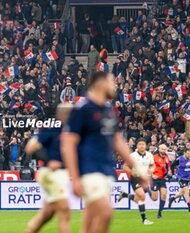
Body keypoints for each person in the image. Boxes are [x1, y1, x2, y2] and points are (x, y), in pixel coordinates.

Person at [61, 71, 149, 233]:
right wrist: (74, 177)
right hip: (89, 170)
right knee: (106, 211)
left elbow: (117, 141)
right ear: (100, 84)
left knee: (90, 222)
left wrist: (138, 169)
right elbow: (68, 144)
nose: (115, 85)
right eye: (111, 82)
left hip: (106, 170)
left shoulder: (108, 109)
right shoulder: (83, 109)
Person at [24, 103, 73, 233]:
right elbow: (30, 147)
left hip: (60, 174)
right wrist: (49, 160)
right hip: (51, 173)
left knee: (46, 215)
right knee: (64, 210)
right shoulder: (52, 129)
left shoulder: (72, 131)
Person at [117, 138, 155, 224]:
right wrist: (132, 172)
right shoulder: (132, 156)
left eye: (143, 144)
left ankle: (125, 195)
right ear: (137, 146)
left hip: (144, 179)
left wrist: (151, 170)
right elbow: (125, 166)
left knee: (139, 198)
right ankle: (144, 219)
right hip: (135, 178)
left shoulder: (149, 155)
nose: (141, 146)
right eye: (140, 144)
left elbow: (153, 165)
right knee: (142, 196)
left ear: (146, 146)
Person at [150, 144, 171, 218]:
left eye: (165, 149)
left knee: (164, 195)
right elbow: (148, 167)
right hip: (155, 179)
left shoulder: (167, 157)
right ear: (159, 149)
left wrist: (168, 174)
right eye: (162, 149)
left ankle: (159, 213)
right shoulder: (154, 157)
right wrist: (152, 175)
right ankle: (148, 191)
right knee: (154, 198)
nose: (163, 150)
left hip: (162, 179)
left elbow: (168, 167)